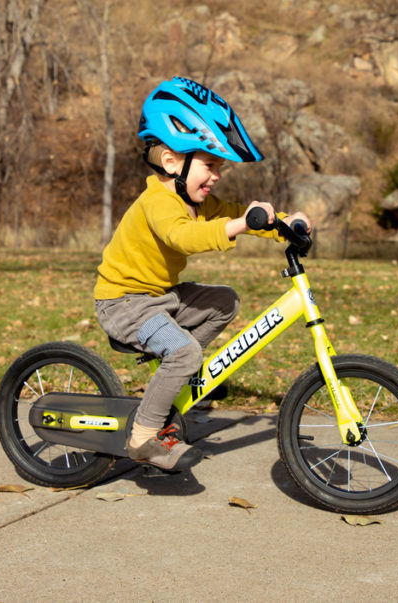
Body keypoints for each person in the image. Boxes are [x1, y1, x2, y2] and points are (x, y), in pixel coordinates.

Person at [94, 76, 311, 472]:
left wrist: (283, 221)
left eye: (219, 167)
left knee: (223, 301)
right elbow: (184, 237)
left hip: (159, 297)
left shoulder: (193, 198)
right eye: (210, 165)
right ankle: (143, 435)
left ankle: (179, 380)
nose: (216, 175)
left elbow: (235, 213)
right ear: (172, 161)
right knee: (185, 351)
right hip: (124, 304)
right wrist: (239, 227)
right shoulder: (158, 202)